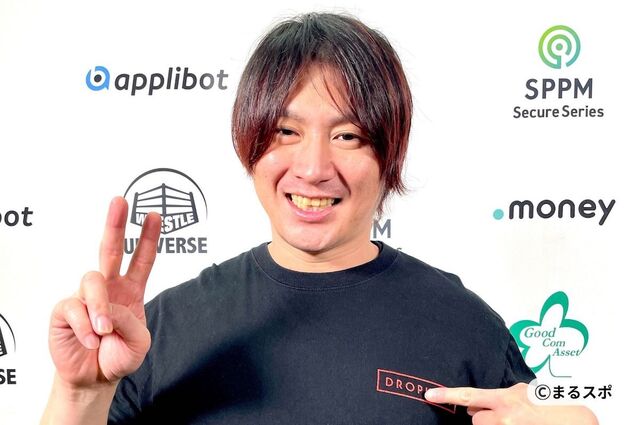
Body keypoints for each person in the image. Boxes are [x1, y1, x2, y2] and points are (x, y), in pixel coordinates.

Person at [41, 13, 598, 425]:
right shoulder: (159, 329)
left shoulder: (463, 327)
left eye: (348, 136)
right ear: (251, 144)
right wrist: (80, 394)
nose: (312, 168)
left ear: (389, 155)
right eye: (286, 131)